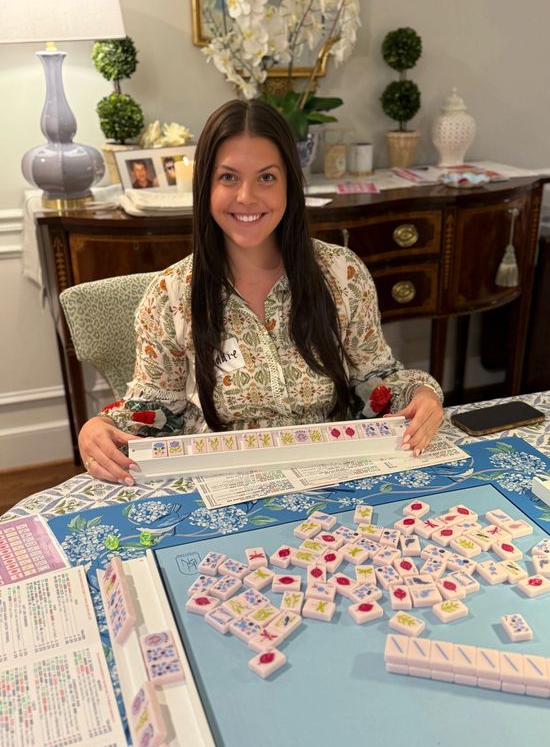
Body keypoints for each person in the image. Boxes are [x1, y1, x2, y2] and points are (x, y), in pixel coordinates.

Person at [79, 99, 444, 485]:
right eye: (229, 177)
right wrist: (99, 427)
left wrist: (421, 395)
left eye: (267, 177)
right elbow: (155, 410)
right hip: (227, 484)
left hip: (336, 475)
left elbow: (374, 380)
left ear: (290, 183)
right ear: (206, 185)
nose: (247, 197)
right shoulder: (170, 295)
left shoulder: (342, 274)